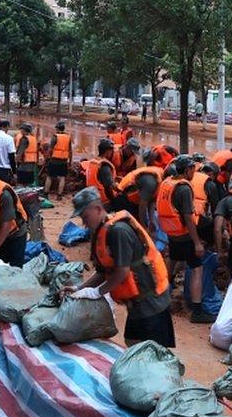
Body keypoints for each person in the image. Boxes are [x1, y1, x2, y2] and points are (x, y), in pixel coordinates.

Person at [64, 187, 175, 347]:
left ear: (97, 209)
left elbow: (122, 272)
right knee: (132, 342)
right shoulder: (101, 231)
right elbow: (104, 271)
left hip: (151, 301)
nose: (84, 223)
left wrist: (97, 292)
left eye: (85, 216)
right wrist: (80, 289)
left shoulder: (118, 231)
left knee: (155, 351)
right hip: (136, 302)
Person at [156, 155, 216, 323]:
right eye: (192, 169)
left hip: (172, 234)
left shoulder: (167, 183)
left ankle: (161, 300)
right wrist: (197, 242)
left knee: (172, 263)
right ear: (188, 169)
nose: (194, 172)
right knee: (197, 269)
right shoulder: (184, 188)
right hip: (185, 236)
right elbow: (189, 218)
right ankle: (197, 312)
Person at [86, 139, 119, 208]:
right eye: (111, 151)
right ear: (107, 151)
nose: (112, 153)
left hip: (91, 198)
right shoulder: (104, 166)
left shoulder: (93, 162)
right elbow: (110, 186)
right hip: (103, 202)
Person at [45, 120, 72, 200]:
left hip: (54, 160)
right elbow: (70, 151)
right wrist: (70, 161)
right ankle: (59, 195)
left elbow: (50, 149)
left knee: (49, 177)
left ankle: (46, 193)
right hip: (64, 161)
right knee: (62, 178)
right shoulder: (68, 137)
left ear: (57, 129)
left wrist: (47, 158)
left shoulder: (55, 137)